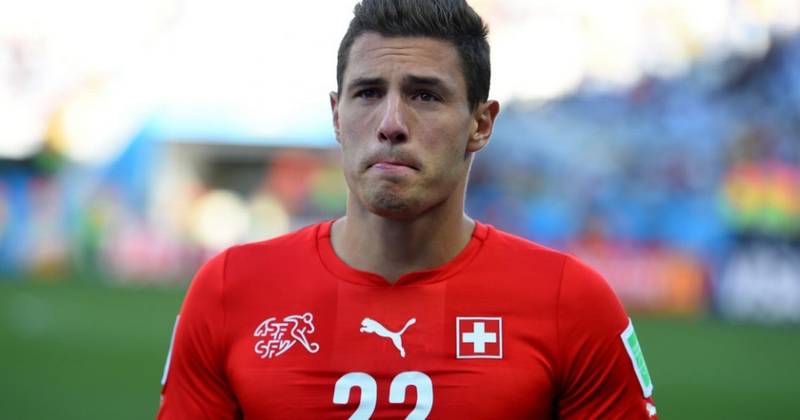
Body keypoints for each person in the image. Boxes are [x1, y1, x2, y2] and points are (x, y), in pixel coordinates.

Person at [157, 0, 658, 418]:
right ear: (336, 116)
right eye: (368, 93)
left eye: (425, 95)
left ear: (481, 124)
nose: (391, 123)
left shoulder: (570, 304)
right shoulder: (229, 290)